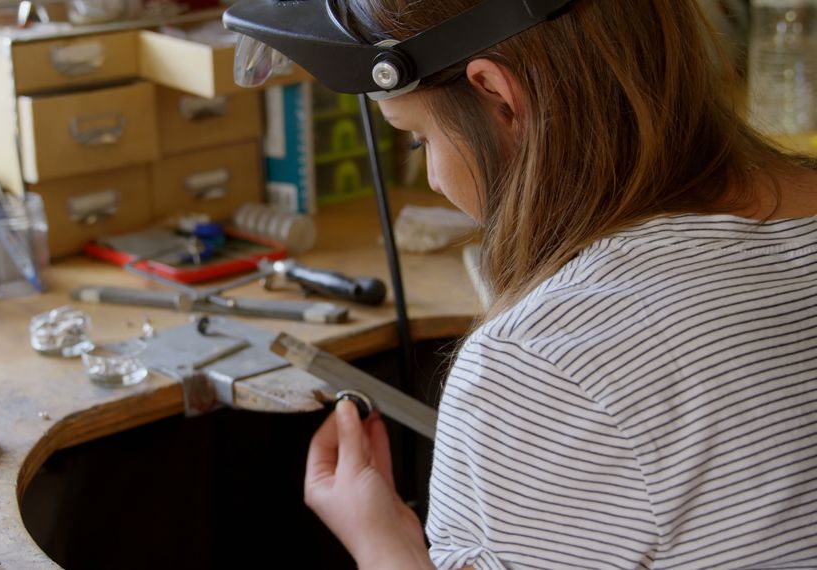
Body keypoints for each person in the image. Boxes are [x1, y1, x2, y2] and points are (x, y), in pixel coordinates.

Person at [301, 1, 817, 568]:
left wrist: (382, 545)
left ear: (497, 96)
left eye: (419, 139)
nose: (434, 179)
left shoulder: (544, 359)